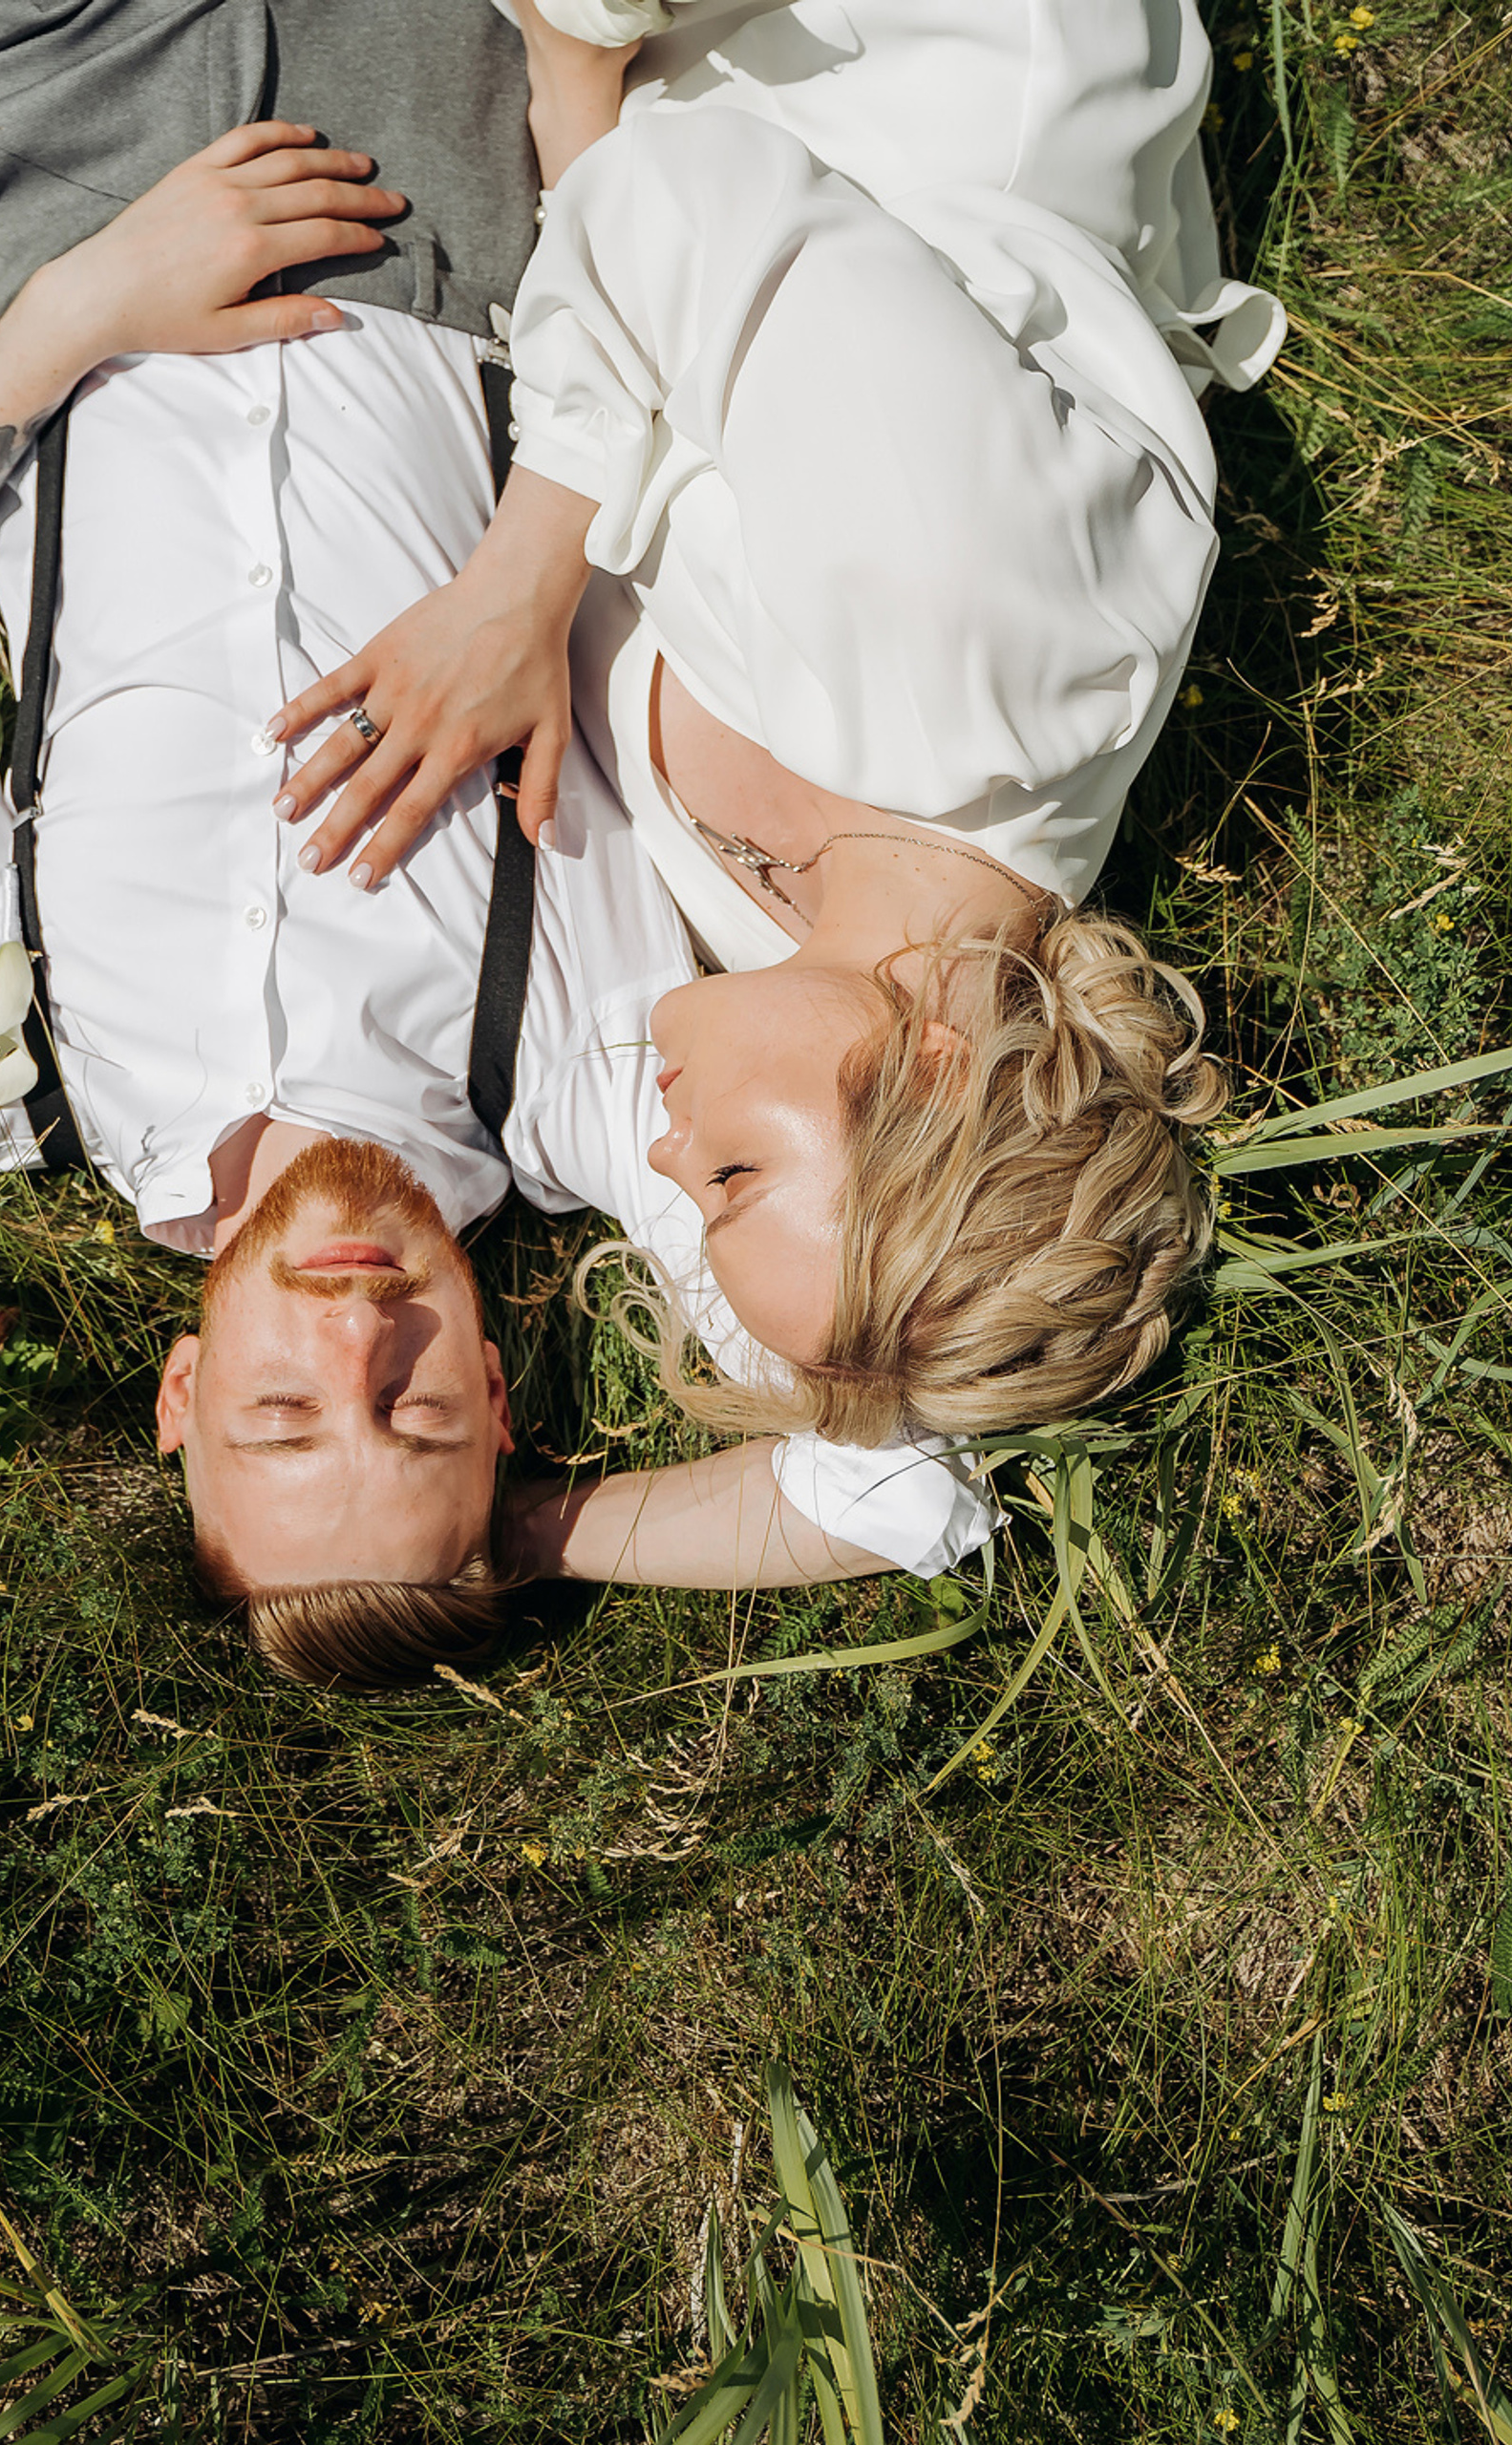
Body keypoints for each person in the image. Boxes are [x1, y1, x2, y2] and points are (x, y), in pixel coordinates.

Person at [0, 21, 1001, 1688]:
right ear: (502, 1400)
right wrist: (532, 1533)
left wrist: (81, 311)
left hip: (75, 175)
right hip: (443, 205)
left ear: (181, 1399)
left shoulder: (2, 1071)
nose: (358, 1335)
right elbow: (905, 1487)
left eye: (282, 1415)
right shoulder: (588, 1093)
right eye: (420, 1413)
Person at [265, 0, 1281, 1454]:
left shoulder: (793, 939)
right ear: (930, 1067)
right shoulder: (993, 645)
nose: (667, 1152)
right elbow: (698, 202)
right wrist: (517, 591)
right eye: (734, 1174)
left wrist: (573, 98)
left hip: (633, 112)